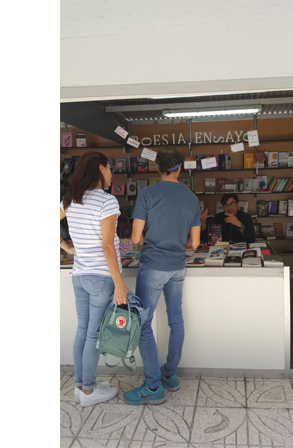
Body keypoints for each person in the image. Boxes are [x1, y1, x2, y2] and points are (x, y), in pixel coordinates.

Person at [123, 147, 201, 405]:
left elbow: (135, 238)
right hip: (178, 266)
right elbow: (196, 243)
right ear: (180, 168)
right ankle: (170, 375)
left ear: (157, 168)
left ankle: (153, 386)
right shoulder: (191, 198)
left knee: (143, 324)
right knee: (175, 319)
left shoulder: (147, 194)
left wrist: (153, 237)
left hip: (153, 265)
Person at [60, 151, 126, 407]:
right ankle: (88, 392)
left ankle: (81, 385)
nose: (112, 174)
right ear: (101, 168)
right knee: (94, 334)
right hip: (100, 276)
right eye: (110, 169)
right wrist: (119, 283)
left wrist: (67, 248)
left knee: (83, 330)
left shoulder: (70, 200)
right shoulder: (106, 202)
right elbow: (108, 247)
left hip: (80, 274)